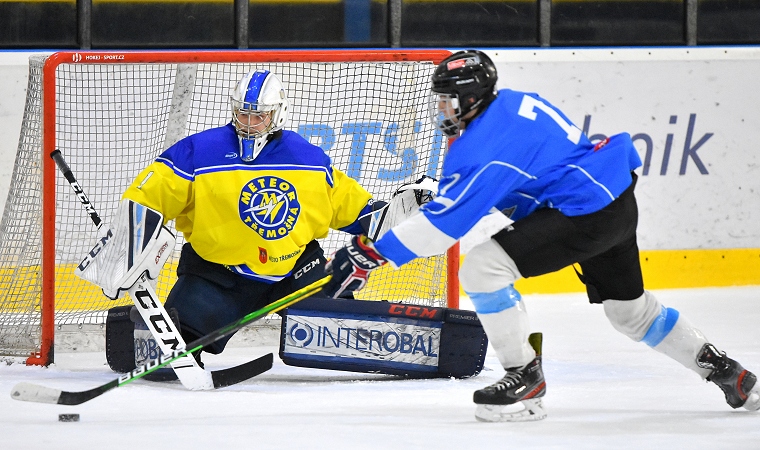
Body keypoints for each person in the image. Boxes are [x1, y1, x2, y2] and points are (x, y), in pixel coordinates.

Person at [324, 49, 760, 422]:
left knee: (482, 268)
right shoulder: (514, 103)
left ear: (471, 98)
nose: (443, 110)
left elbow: (446, 226)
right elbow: (524, 176)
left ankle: (525, 378)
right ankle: (724, 369)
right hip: (614, 201)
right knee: (632, 315)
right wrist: (449, 197)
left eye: (448, 101)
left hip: (582, 213)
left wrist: (370, 254)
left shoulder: (484, 147)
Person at [118, 68, 378, 359]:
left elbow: (350, 206)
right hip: (218, 276)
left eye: (259, 116)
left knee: (349, 340)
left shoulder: (308, 158)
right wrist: (127, 243)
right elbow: (148, 197)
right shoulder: (200, 151)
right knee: (172, 350)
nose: (250, 124)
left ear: (276, 115)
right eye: (244, 114)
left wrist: (392, 214)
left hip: (294, 274)